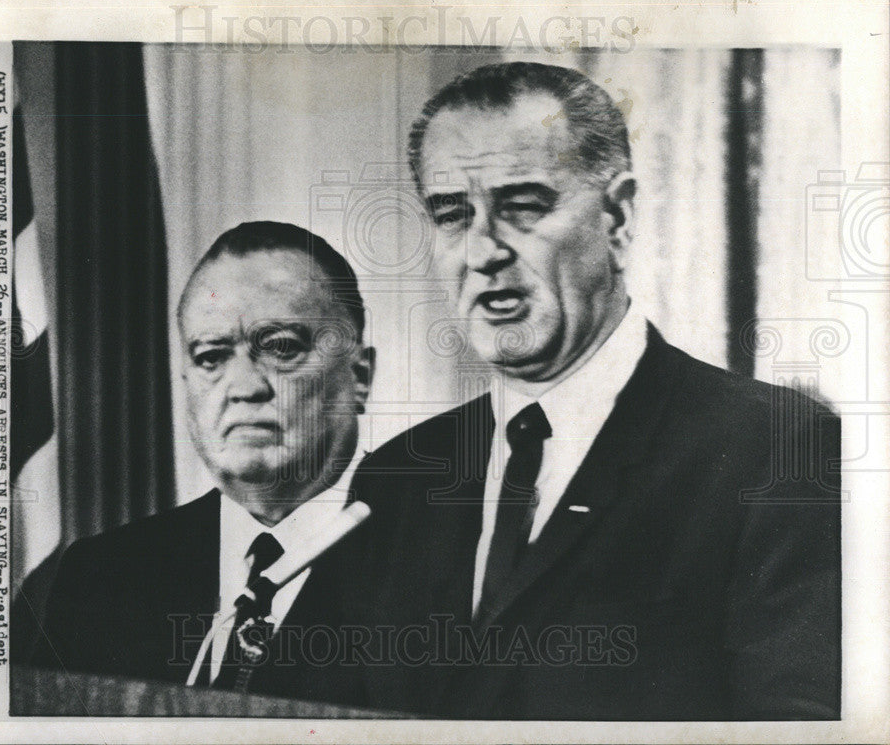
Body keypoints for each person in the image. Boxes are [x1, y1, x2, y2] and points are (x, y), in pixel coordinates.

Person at [350, 62, 840, 720]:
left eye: (522, 206)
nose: (482, 251)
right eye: (452, 214)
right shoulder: (394, 482)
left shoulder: (773, 451)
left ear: (618, 217)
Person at [25, 221, 375, 705]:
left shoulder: (443, 559)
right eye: (211, 356)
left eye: (281, 348)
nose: (244, 387)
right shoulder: (101, 575)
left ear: (360, 376)